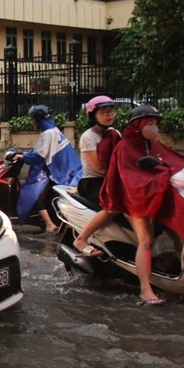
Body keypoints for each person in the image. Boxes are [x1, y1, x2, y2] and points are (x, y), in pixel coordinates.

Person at [99, 105, 184, 306]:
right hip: (133, 199)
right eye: (149, 124)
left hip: (155, 194)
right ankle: (145, 290)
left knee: (178, 230)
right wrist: (158, 180)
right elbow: (131, 179)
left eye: (156, 124)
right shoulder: (125, 147)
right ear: (137, 126)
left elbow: (174, 162)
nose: (154, 128)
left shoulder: (151, 145)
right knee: (146, 240)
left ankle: (180, 274)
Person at [14, 104, 82, 233]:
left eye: (33, 119)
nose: (32, 121)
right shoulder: (54, 130)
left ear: (38, 119)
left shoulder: (48, 134)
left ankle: (49, 224)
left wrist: (23, 157)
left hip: (62, 173)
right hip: (72, 170)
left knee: (33, 195)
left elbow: (39, 156)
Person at [72, 96, 122, 256]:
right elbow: (99, 167)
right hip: (93, 182)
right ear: (94, 115)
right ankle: (81, 239)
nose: (109, 115)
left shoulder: (115, 133)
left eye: (111, 111)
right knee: (112, 207)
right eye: (103, 112)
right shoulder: (89, 137)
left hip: (113, 179)